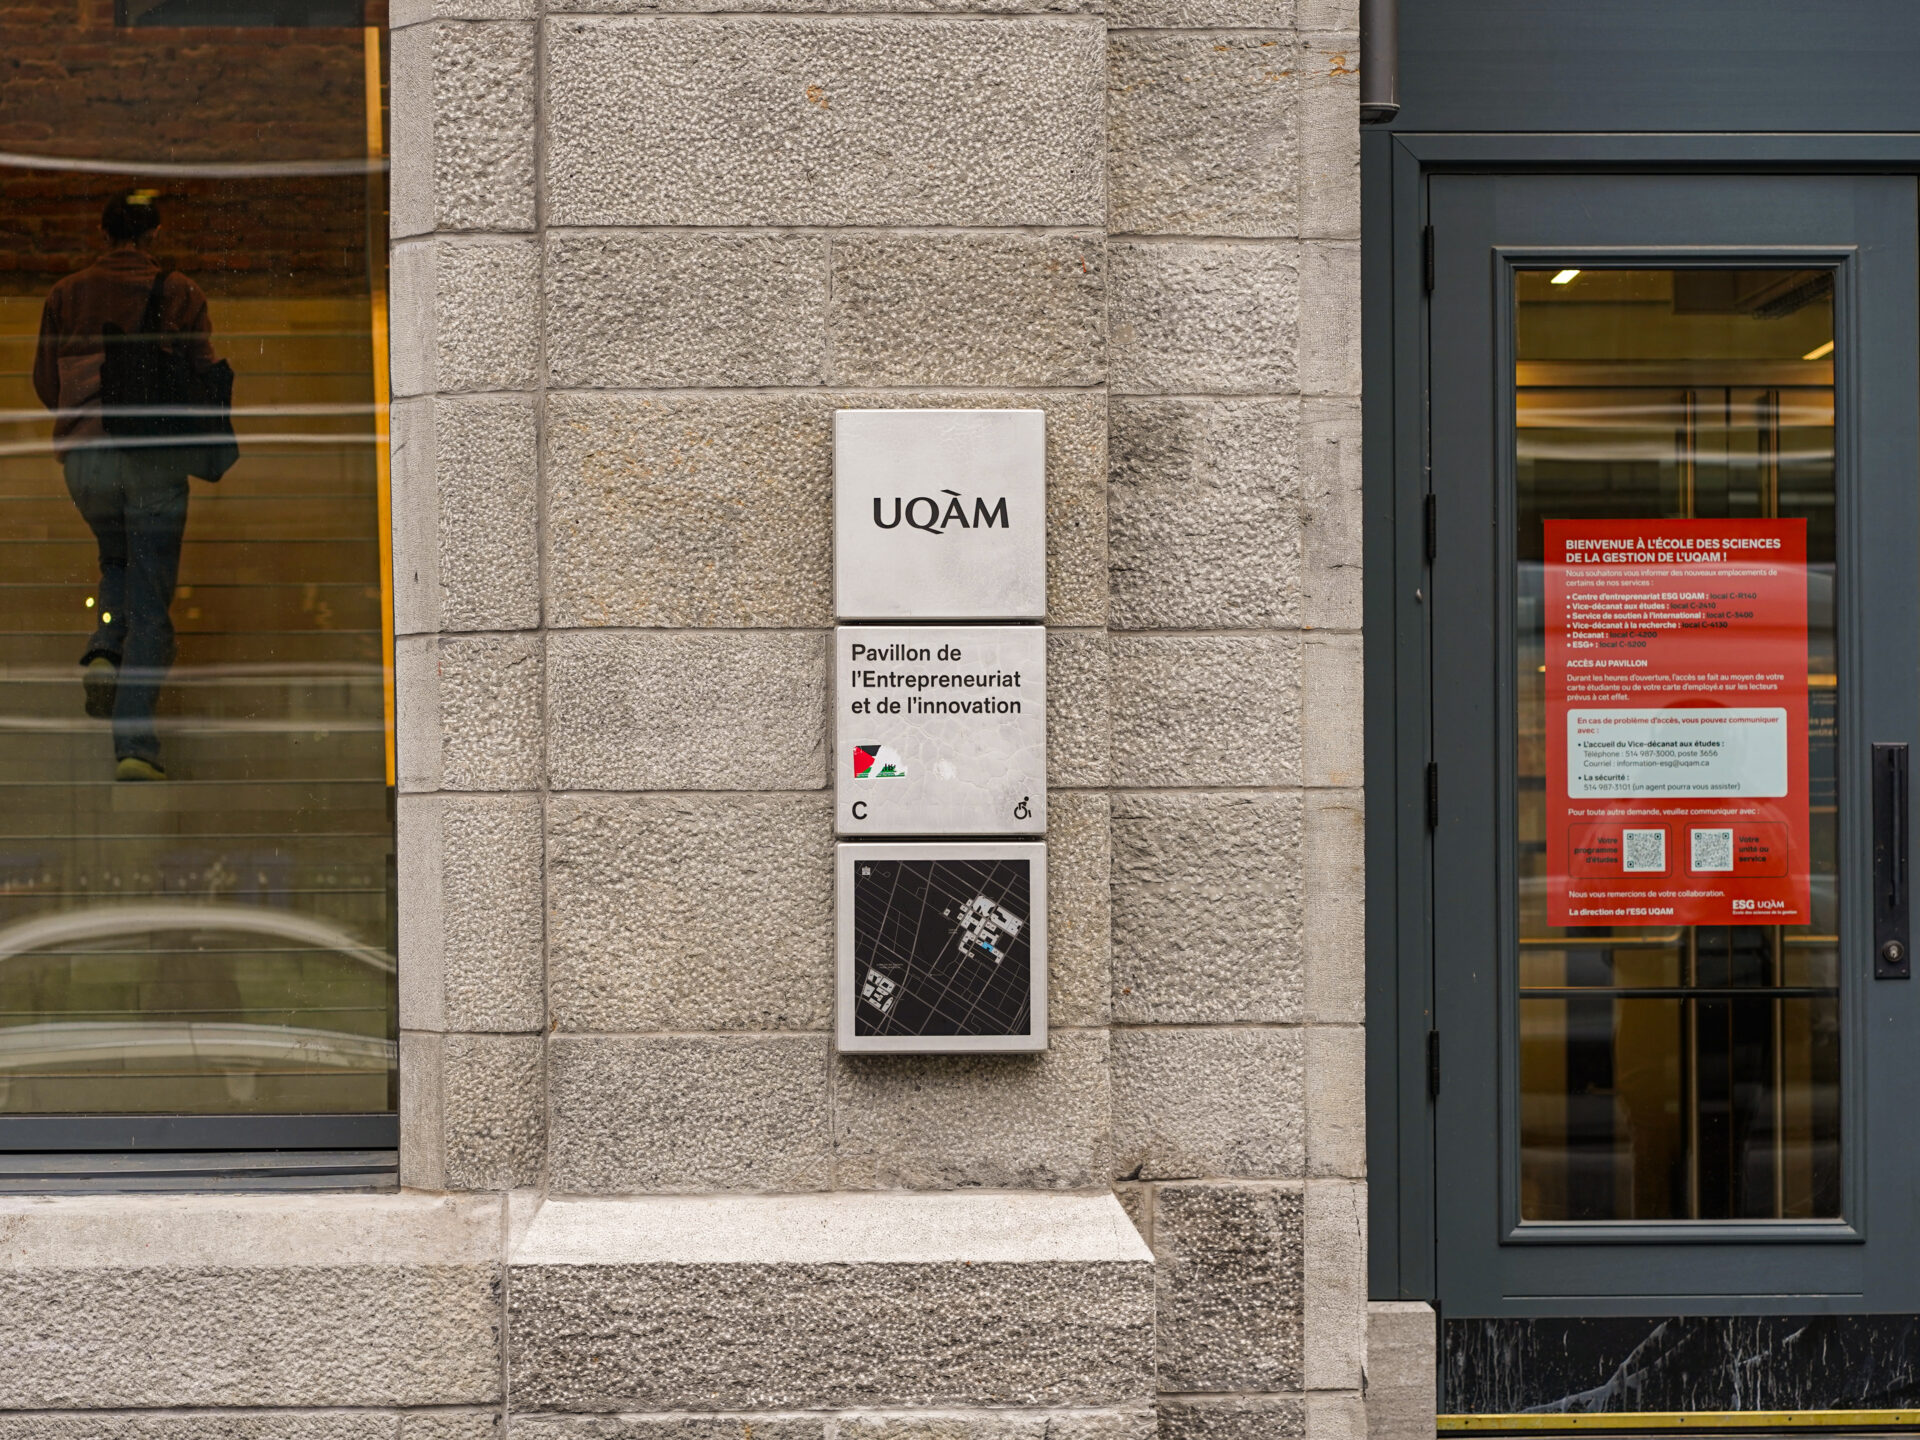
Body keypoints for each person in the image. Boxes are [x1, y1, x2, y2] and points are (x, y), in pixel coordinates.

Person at [32, 191, 218, 782]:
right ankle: (135, 742)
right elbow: (201, 377)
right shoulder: (182, 291)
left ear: (104, 230)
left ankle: (105, 651)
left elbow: (44, 383)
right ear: (154, 232)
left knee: (117, 560)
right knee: (151, 599)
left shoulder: (66, 294)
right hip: (153, 459)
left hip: (85, 461)